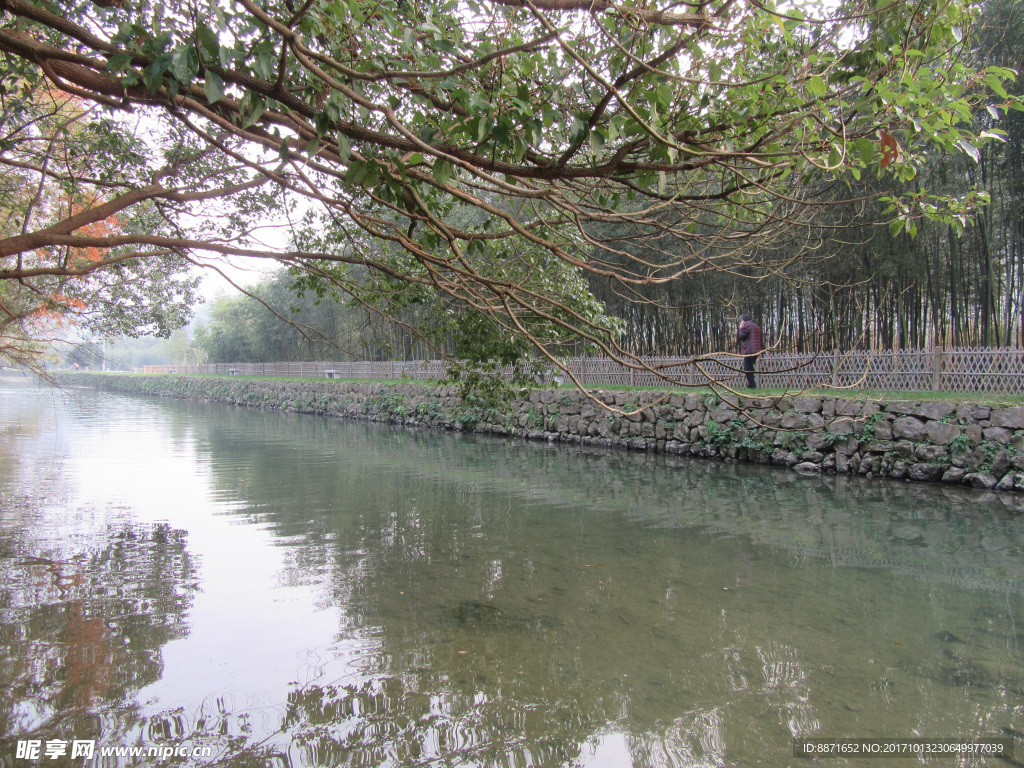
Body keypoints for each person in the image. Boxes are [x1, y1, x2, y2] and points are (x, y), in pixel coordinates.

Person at [737, 314, 762, 388]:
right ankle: (752, 384)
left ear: (743, 321)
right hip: (757, 349)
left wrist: (741, 328)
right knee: (750, 367)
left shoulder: (746, 326)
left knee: (747, 368)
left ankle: (752, 385)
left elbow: (741, 336)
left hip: (749, 350)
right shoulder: (756, 326)